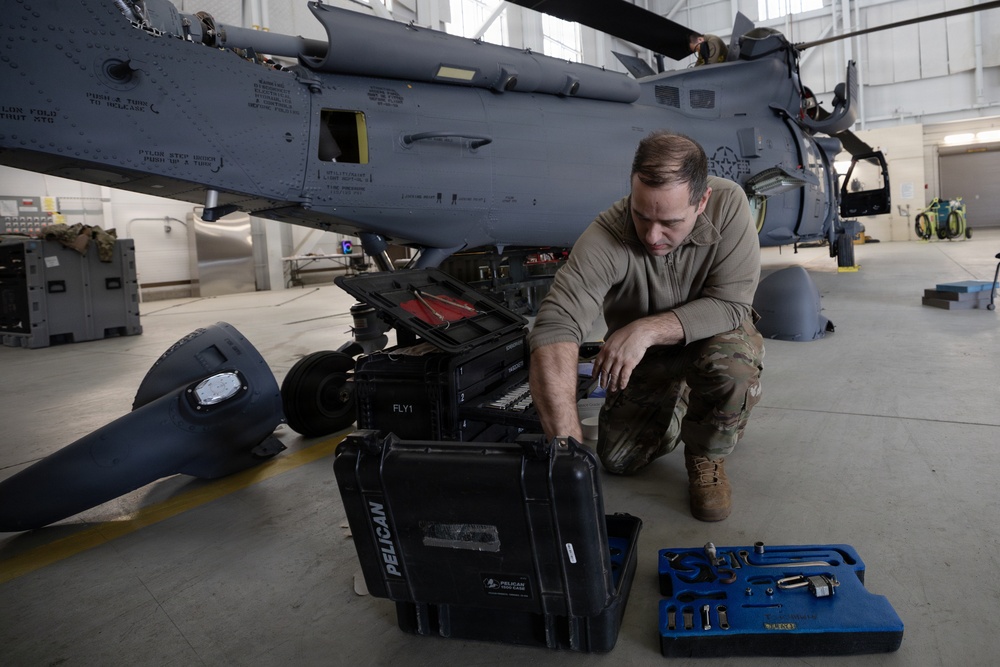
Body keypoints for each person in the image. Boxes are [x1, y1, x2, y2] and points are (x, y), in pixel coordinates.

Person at [527, 131, 763, 522]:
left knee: (732, 367)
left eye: (670, 222)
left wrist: (645, 330)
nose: (652, 237)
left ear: (701, 201)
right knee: (620, 460)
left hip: (711, 339)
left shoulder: (729, 204)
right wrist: (568, 461)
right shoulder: (608, 233)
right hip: (645, 361)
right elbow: (555, 326)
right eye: (641, 216)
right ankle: (687, 402)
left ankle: (706, 453)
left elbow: (732, 304)